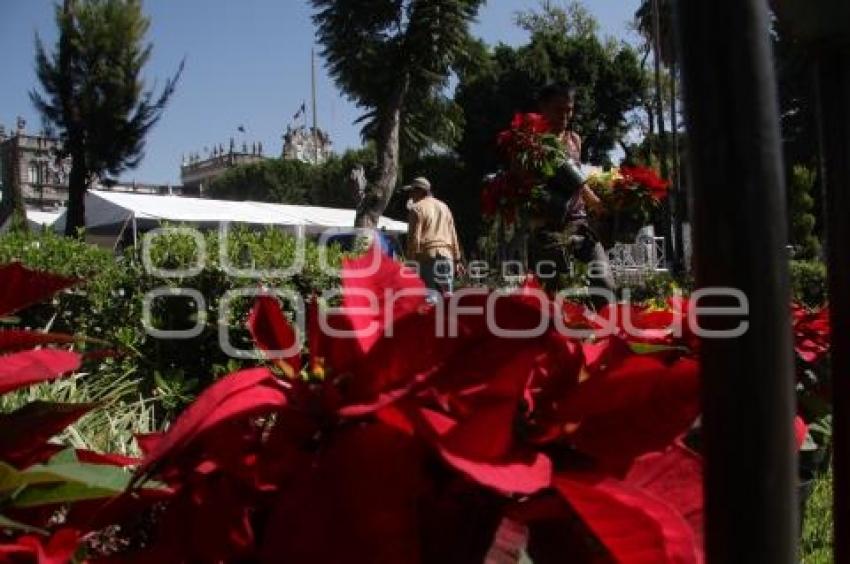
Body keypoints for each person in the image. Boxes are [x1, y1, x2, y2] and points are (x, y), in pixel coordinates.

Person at [530, 82, 617, 298]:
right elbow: (521, 182)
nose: (565, 116)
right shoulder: (530, 141)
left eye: (569, 110)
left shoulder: (575, 140)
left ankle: (599, 329)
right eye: (558, 110)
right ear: (543, 107)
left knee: (605, 286)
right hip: (547, 228)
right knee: (551, 295)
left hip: (579, 224)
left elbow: (580, 180)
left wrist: (608, 197)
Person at [403, 177, 463, 294]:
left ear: (420, 191)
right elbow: (453, 235)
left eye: (412, 191)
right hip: (447, 256)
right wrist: (457, 260)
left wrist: (410, 261)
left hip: (427, 257)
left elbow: (414, 238)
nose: (410, 195)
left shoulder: (417, 208)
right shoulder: (445, 207)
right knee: (447, 299)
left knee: (430, 298)